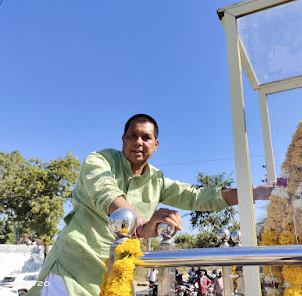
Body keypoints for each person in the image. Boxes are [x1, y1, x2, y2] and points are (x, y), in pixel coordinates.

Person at [27, 114, 274, 296]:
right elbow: (106, 191)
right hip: (69, 272)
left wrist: (254, 192)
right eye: (132, 136)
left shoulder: (157, 180)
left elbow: (199, 196)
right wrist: (142, 224)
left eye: (146, 137)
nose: (138, 142)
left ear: (155, 146)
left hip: (117, 275)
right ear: (123, 139)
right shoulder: (99, 160)